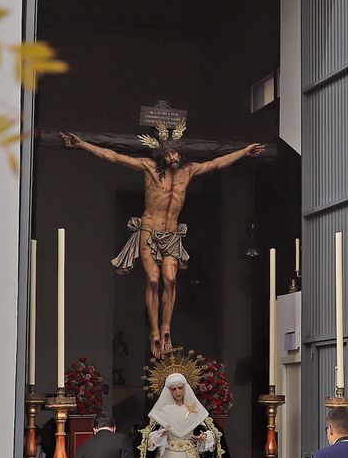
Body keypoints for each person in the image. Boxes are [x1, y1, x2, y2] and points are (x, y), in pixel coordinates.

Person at [60, 129, 263, 355]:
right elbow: (114, 157)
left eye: (176, 154)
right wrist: (82, 144)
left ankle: (166, 327)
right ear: (162, 156)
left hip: (172, 234)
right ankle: (154, 331)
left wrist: (244, 151)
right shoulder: (149, 168)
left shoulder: (189, 171)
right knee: (154, 281)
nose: (173, 158)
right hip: (149, 230)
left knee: (171, 279)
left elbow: (217, 163)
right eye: (168, 154)